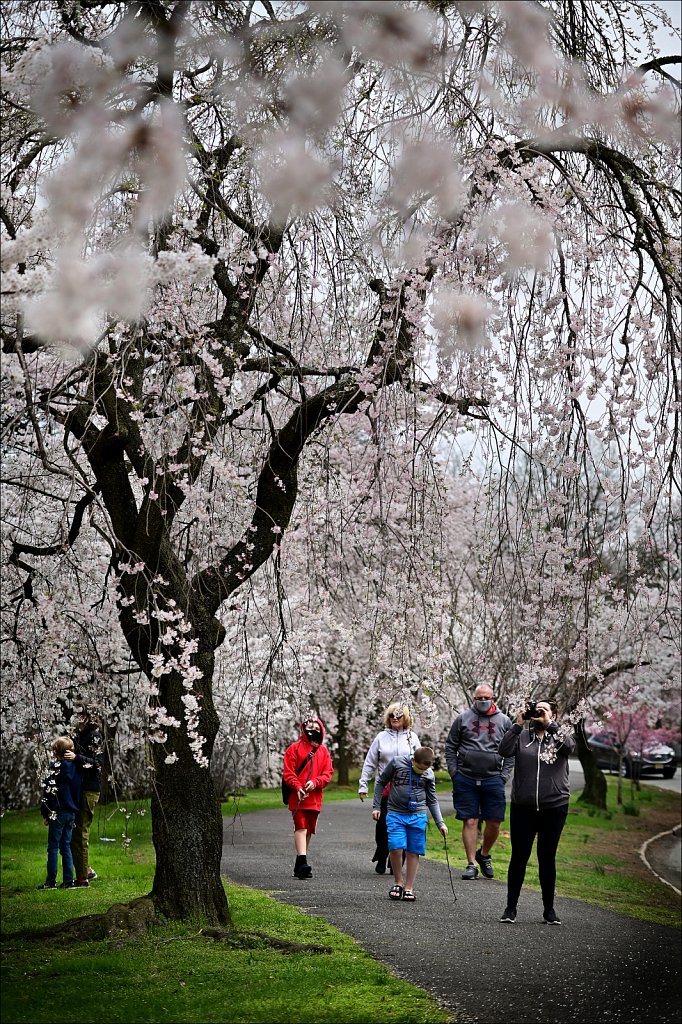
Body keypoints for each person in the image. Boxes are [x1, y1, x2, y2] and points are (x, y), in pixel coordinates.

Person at [497, 699, 575, 925]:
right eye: (536, 710)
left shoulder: (560, 735)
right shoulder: (522, 735)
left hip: (554, 806)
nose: (538, 714)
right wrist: (517, 724)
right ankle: (510, 908)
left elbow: (569, 747)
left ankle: (549, 910)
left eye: (544, 710)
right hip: (523, 807)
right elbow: (503, 751)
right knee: (519, 857)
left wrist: (551, 724)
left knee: (546, 858)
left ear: (554, 714)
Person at [445, 684, 513, 879]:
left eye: (486, 697)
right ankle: (471, 864)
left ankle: (483, 855)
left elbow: (510, 752)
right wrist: (454, 773)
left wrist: (503, 776)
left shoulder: (504, 721)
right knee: (470, 819)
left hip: (493, 779)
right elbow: (451, 746)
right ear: (474, 699)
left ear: (493, 698)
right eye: (479, 698)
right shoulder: (462, 719)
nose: (483, 701)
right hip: (465, 778)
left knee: (494, 822)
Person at [372, 745, 448, 901]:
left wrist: (440, 823)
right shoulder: (397, 763)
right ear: (413, 760)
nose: (421, 772)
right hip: (395, 813)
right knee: (396, 847)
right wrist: (376, 806)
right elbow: (381, 783)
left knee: (414, 851)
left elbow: (432, 800)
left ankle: (409, 887)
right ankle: (398, 882)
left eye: (424, 769)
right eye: (419, 768)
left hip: (418, 815)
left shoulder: (429, 774)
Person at [358, 702, 421, 874]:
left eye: (398, 715)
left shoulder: (412, 738)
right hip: (385, 788)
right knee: (383, 825)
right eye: (392, 715)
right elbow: (370, 762)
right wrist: (363, 784)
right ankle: (382, 852)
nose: (395, 718)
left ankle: (398, 860)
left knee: (404, 825)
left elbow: (421, 762)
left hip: (406, 789)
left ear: (405, 717)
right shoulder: (381, 737)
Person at [283, 715, 333, 879]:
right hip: (297, 796)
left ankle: (300, 862)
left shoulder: (324, 752)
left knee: (309, 830)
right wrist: (297, 786)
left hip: (315, 798)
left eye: (317, 728)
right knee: (301, 826)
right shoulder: (294, 749)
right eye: (310, 728)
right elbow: (288, 773)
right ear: (304, 729)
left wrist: (316, 782)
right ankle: (303, 861)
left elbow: (327, 773)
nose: (313, 731)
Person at [65, 705, 104, 888]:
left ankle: (82, 879)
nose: (77, 716)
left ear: (88, 716)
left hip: (89, 789)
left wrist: (76, 758)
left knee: (80, 833)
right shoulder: (78, 736)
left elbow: (97, 763)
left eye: (80, 713)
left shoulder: (94, 735)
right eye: (76, 713)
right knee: (74, 833)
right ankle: (85, 870)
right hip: (78, 789)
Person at [37, 736, 82, 890]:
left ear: (56, 752)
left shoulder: (54, 768)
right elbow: (77, 791)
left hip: (57, 811)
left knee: (53, 847)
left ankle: (51, 881)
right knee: (66, 846)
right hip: (71, 812)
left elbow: (47, 793)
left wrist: (46, 813)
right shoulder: (76, 768)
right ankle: (68, 881)